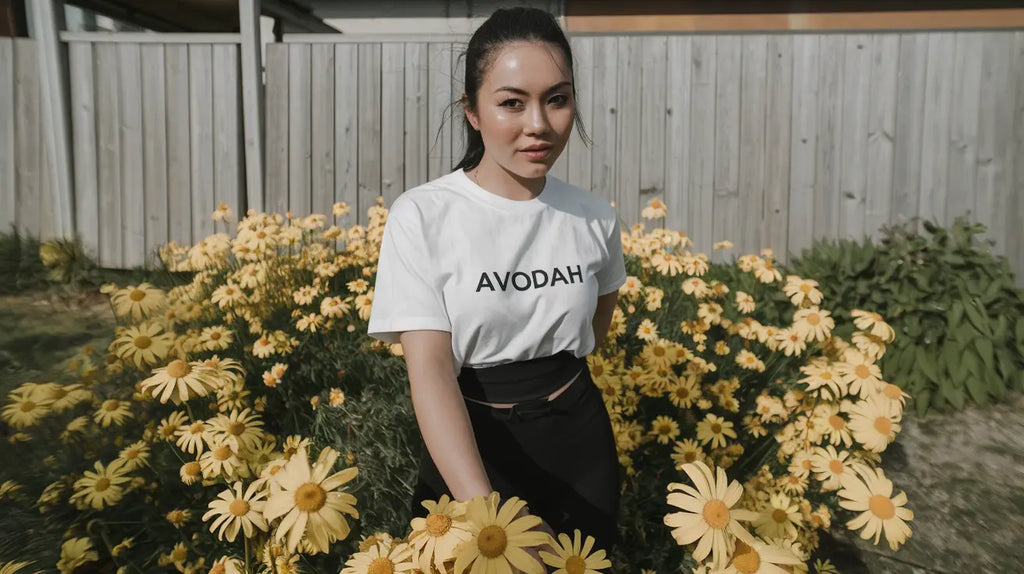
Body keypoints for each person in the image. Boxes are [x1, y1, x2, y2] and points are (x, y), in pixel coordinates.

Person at [366, 6, 627, 557]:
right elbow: (431, 370)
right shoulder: (424, 216)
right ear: (473, 112)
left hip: (581, 446)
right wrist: (489, 520)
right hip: (471, 448)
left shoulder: (593, 216)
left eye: (557, 98)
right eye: (512, 102)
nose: (539, 123)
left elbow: (594, 331)